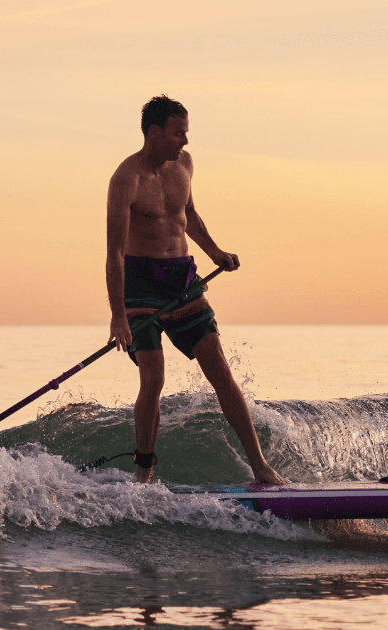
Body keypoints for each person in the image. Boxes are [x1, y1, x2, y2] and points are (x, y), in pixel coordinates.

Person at [105, 95, 287, 486]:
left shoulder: (184, 165)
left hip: (182, 279)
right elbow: (115, 254)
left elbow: (187, 216)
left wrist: (215, 251)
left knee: (220, 370)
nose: (184, 142)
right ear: (154, 132)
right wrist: (118, 315)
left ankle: (260, 468)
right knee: (153, 378)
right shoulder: (126, 179)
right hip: (140, 283)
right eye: (177, 134)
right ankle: (145, 472)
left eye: (186, 133)